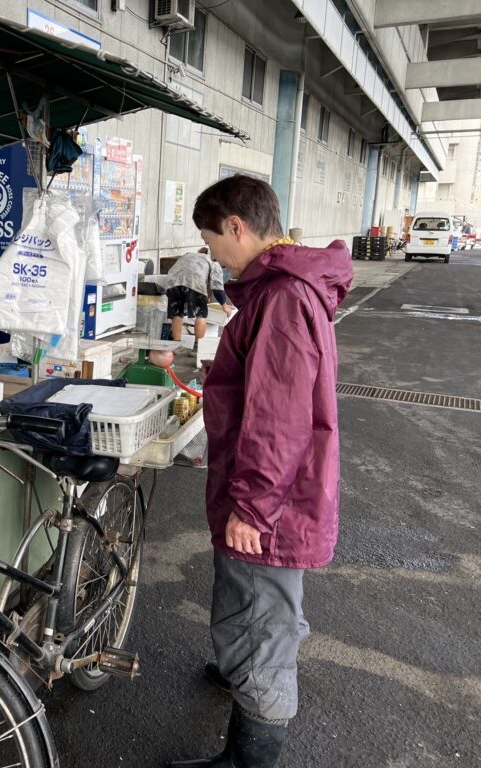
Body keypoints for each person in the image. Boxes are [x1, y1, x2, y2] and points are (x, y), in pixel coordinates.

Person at [169, 175, 352, 768]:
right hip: (281, 495)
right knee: (258, 610)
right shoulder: (287, 289)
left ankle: (249, 759)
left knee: (259, 622)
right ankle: (238, 673)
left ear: (237, 227)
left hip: (270, 505)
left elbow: (279, 417)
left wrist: (251, 507)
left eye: (211, 242)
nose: (213, 255)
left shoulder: (282, 297)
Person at [164, 247, 232, 344]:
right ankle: (198, 346)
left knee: (177, 313)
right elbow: (217, 287)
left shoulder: (188, 255)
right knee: (201, 314)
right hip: (194, 282)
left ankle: (176, 345)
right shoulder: (214, 262)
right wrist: (224, 305)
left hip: (172, 282)